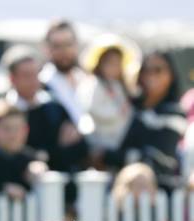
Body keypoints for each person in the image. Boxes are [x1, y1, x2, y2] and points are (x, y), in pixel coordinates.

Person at [104, 51, 187, 190]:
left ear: (171, 75)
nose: (151, 75)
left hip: (157, 196)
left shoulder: (175, 113)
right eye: (146, 70)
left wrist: (107, 156)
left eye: (158, 70)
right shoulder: (131, 107)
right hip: (118, 191)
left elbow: (158, 162)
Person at [2, 45, 88, 173]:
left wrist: (45, 155)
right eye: (26, 75)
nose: (33, 81)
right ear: (12, 79)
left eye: (36, 74)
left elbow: (79, 148)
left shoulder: (54, 107)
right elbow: (10, 156)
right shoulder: (4, 111)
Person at [78, 35, 140, 152]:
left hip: (119, 138)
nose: (114, 68)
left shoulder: (118, 86)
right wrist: (116, 113)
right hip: (100, 137)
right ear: (100, 63)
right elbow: (91, 107)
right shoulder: (94, 84)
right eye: (110, 63)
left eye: (117, 64)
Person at [40, 20, 87, 128]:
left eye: (68, 44)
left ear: (76, 45)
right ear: (47, 49)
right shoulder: (41, 84)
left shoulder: (86, 79)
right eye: (57, 46)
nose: (64, 51)